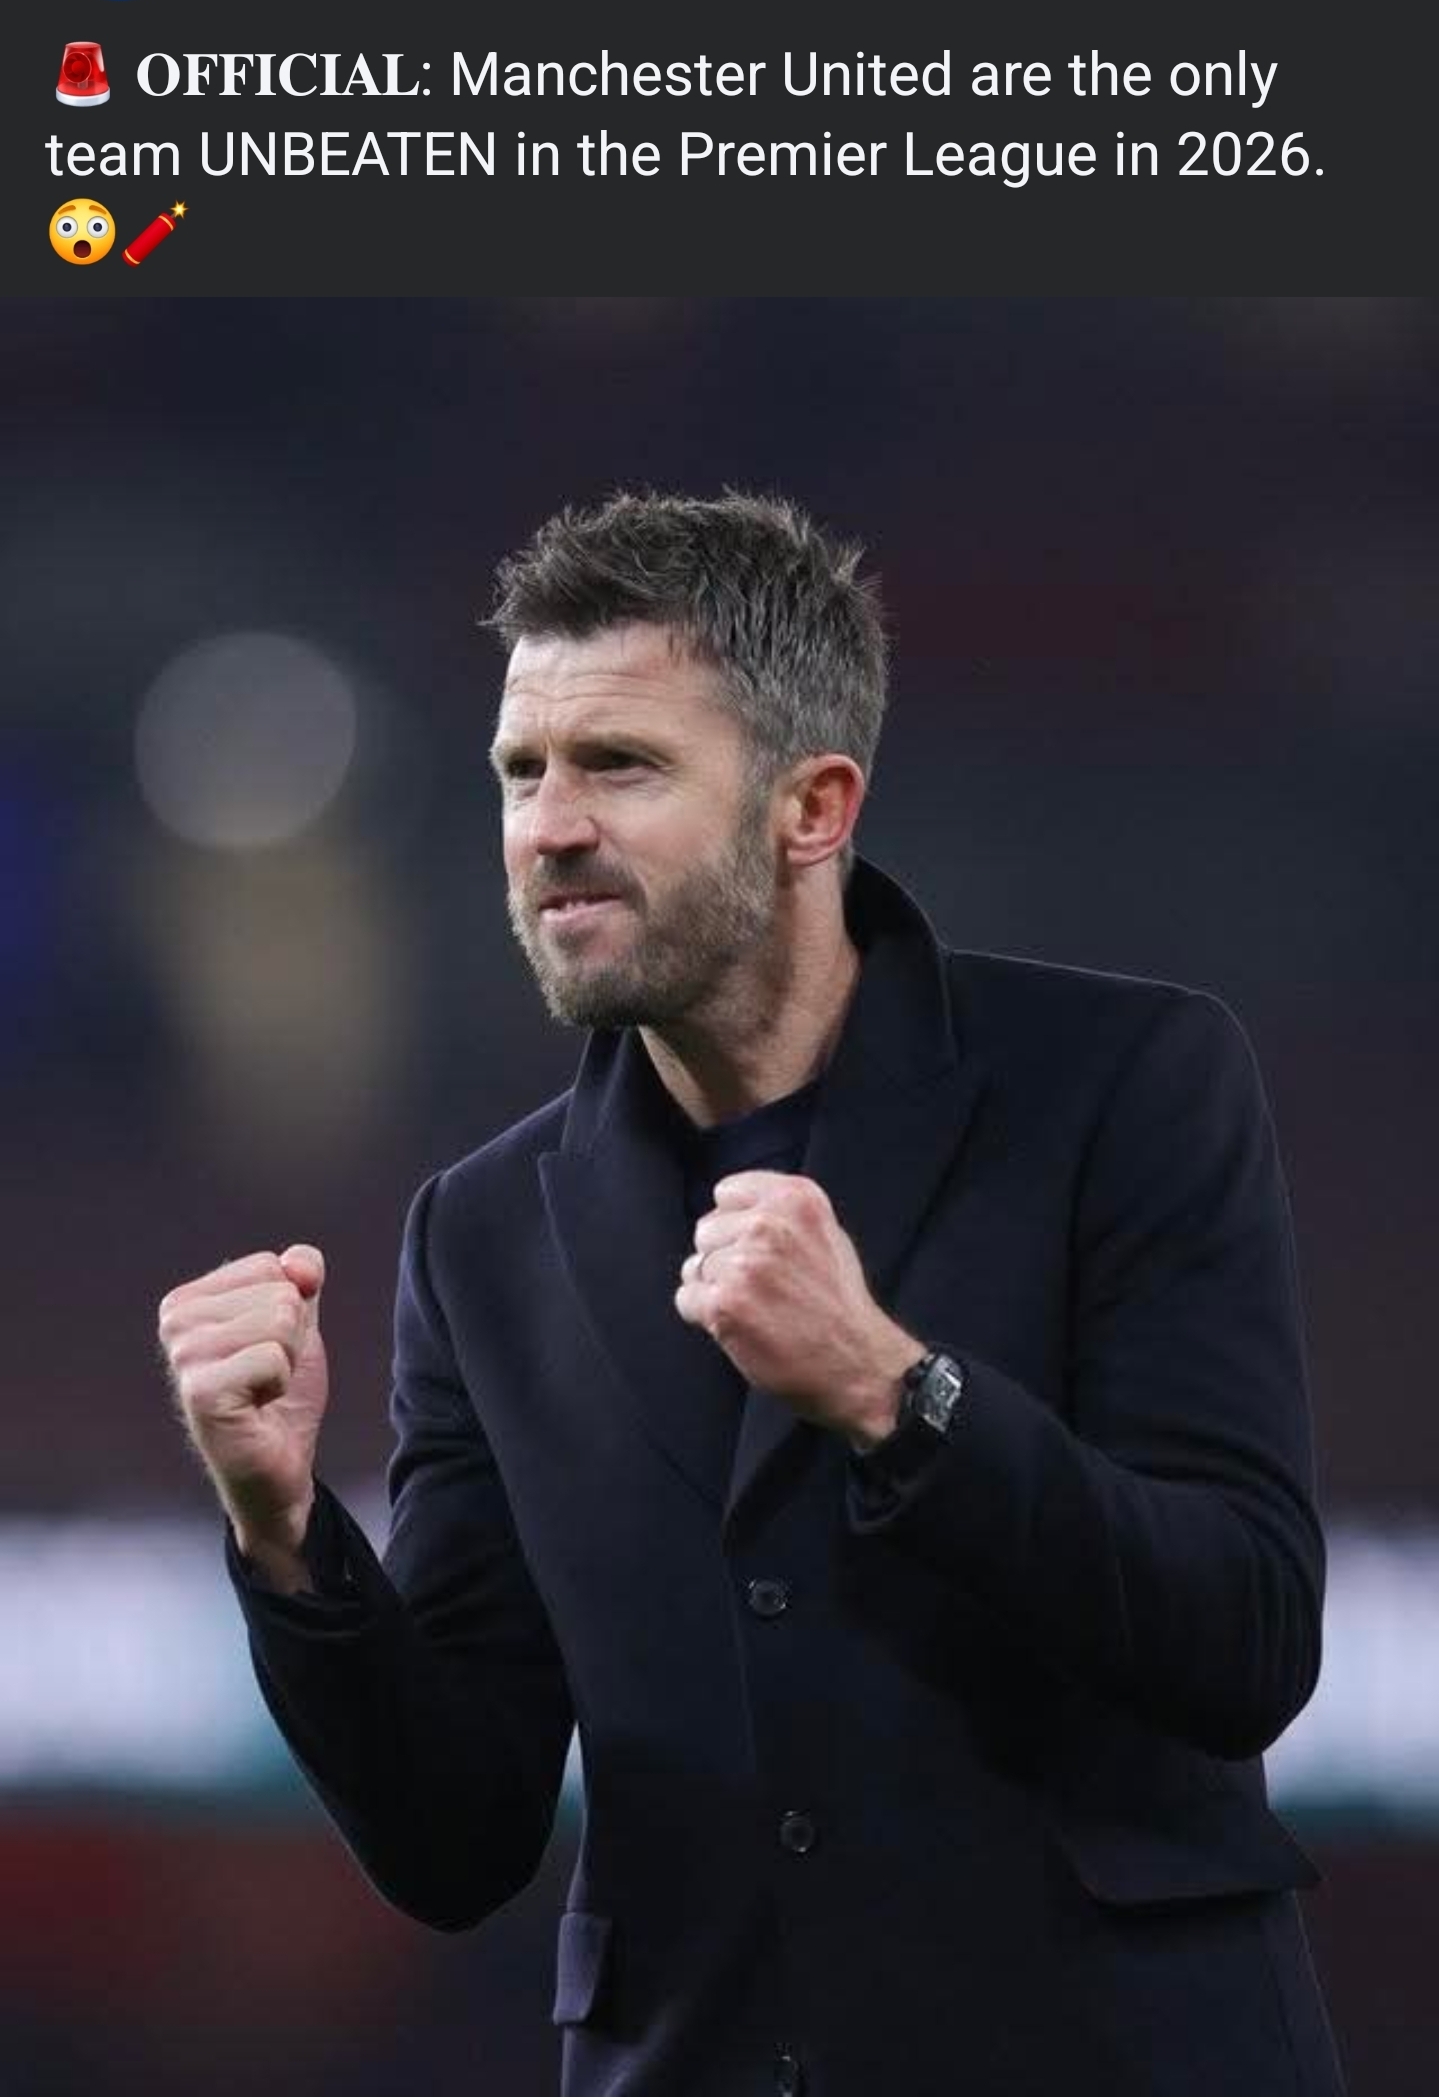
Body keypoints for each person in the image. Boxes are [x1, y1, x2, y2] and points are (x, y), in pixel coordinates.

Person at [157, 491, 1345, 2097]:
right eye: (520, 770)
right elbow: (456, 1833)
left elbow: (1241, 1637)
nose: (546, 826)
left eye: (618, 764)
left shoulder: (1120, 1083)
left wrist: (896, 1396)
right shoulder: (486, 1231)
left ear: (810, 806)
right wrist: (286, 1532)